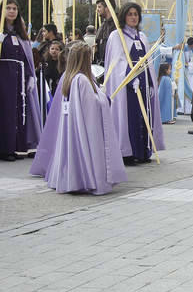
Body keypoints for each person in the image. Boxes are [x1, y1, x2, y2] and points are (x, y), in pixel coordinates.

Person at [29, 42, 127, 194]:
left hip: (73, 126)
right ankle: (90, 179)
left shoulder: (71, 78)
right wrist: (105, 98)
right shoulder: (82, 80)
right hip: (86, 128)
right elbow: (91, 106)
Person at [104, 2, 165, 165]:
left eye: (136, 14)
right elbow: (116, 62)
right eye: (130, 14)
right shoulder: (117, 36)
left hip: (143, 84)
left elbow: (148, 63)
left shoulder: (142, 37)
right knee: (128, 117)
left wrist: (151, 83)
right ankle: (127, 152)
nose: (133, 17)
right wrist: (130, 78)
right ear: (124, 16)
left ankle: (143, 151)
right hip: (127, 86)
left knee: (144, 115)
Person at [0, 0, 42, 160]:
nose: (11, 11)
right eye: (8, 8)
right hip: (4, 77)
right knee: (5, 112)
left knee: (19, 112)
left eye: (14, 9)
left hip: (20, 79)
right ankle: (5, 149)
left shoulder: (21, 35)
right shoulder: (2, 34)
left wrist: (31, 76)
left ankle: (17, 147)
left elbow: (27, 58)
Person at [94, 0, 117, 65]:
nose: (97, 10)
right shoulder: (103, 24)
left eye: (99, 7)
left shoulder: (117, 24)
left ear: (107, 8)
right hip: (102, 64)